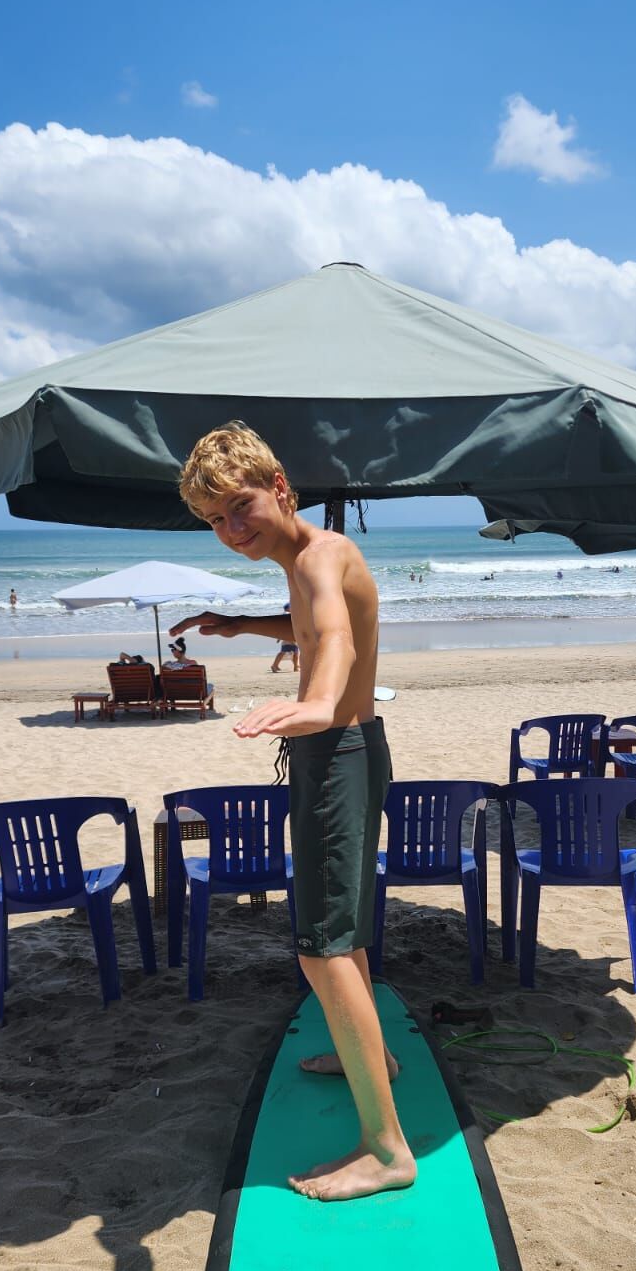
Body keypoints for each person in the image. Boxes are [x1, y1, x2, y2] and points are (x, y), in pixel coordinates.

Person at [171, 422, 412, 1203]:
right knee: (341, 932)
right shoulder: (306, 563)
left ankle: (386, 1149)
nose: (232, 530)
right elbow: (312, 624)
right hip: (335, 752)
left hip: (338, 752)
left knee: (320, 949)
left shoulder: (324, 552)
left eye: (239, 507)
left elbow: (335, 639)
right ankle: (366, 1058)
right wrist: (245, 627)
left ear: (279, 486)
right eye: (215, 521)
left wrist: (312, 704)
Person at [271, 601, 300, 672]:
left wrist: (279, 637)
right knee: (295, 653)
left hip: (286, 637)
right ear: (289, 608)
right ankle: (296, 667)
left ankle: (275, 665)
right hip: (290, 637)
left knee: (284, 652)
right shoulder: (289, 615)